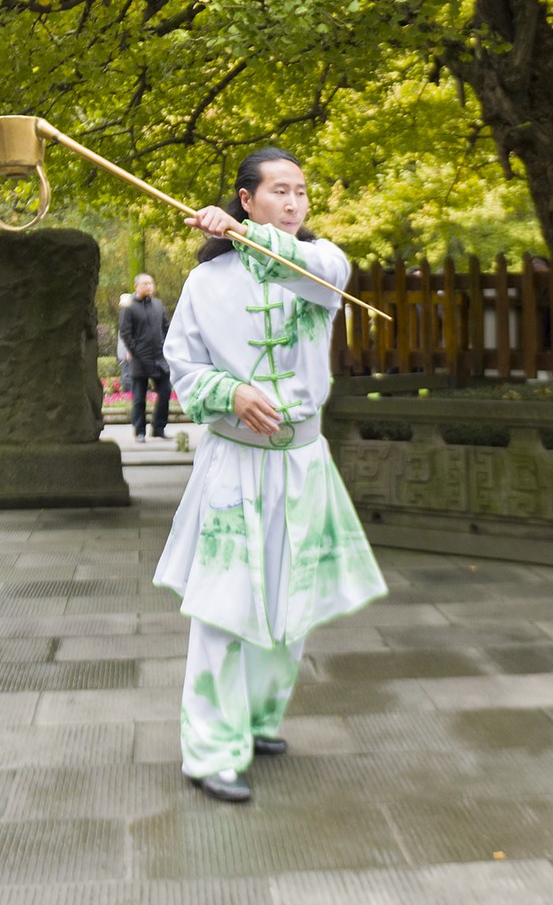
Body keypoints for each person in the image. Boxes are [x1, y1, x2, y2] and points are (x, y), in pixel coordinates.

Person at [153, 147, 387, 803]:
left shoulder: (323, 264)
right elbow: (184, 365)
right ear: (245, 195)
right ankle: (209, 750)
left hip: (304, 463)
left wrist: (243, 233)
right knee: (224, 606)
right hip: (234, 464)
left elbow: (306, 268)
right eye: (278, 191)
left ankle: (255, 720)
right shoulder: (205, 284)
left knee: (292, 602)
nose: (293, 202)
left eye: (301, 192)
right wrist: (230, 393)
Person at [120, 273, 171, 441]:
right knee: (139, 399)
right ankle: (140, 431)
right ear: (136, 286)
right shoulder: (129, 307)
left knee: (165, 392)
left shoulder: (158, 304)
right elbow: (125, 333)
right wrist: (135, 351)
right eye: (145, 284)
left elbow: (166, 327)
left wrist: (166, 348)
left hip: (159, 358)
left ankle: (158, 427)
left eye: (151, 283)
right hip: (139, 359)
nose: (149, 286)